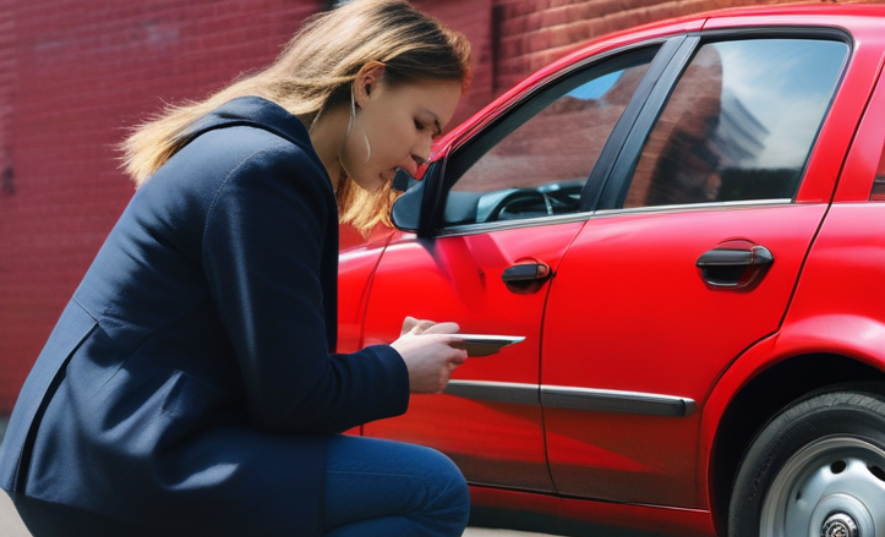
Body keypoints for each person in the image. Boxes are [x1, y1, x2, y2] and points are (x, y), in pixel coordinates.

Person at [0, 1, 473, 535]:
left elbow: (281, 382)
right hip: (125, 462)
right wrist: (398, 368)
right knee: (434, 490)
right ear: (368, 84)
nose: (423, 155)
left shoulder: (248, 152)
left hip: (92, 452)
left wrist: (390, 363)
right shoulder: (265, 172)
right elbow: (294, 402)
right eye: (421, 124)